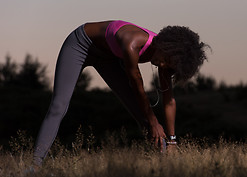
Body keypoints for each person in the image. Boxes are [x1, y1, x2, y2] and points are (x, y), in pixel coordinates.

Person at [32, 20, 209, 168]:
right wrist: (155, 122)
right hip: (80, 44)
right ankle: (35, 166)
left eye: (169, 64)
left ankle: (165, 167)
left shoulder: (164, 58)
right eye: (165, 60)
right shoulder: (132, 42)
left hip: (107, 57)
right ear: (166, 46)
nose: (162, 66)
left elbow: (169, 100)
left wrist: (172, 140)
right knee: (58, 106)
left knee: (146, 120)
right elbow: (136, 85)